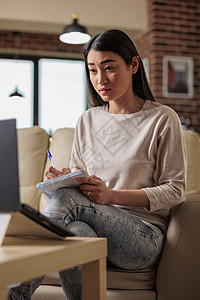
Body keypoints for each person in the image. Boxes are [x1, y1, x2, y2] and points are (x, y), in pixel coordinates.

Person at [9, 29, 186, 300]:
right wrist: (67, 177)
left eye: (109, 68)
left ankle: (13, 293)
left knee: (69, 202)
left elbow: (175, 191)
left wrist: (112, 195)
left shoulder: (162, 119)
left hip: (143, 237)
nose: (99, 79)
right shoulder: (87, 120)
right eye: (92, 70)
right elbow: (82, 184)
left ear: (134, 65)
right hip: (95, 231)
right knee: (75, 232)